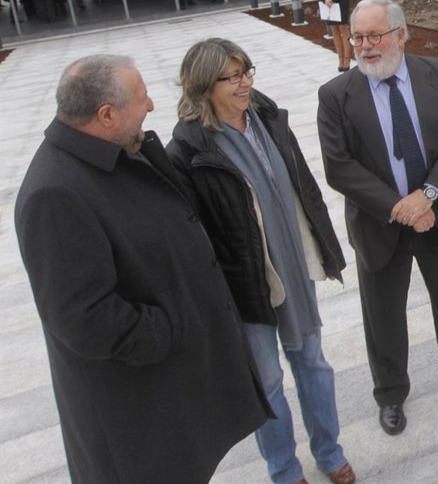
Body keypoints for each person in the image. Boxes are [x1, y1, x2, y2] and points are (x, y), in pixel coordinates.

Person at [15, 55, 268, 484]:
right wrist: (171, 328)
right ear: (106, 115)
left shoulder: (110, 152)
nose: (151, 105)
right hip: (137, 417)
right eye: (141, 97)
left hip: (166, 396)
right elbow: (82, 317)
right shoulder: (54, 194)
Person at [167, 39, 356, 484]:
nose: (244, 83)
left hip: (295, 266)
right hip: (246, 284)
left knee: (313, 363)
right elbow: (194, 234)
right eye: (231, 77)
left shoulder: (268, 118)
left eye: (246, 72)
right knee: (267, 382)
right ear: (203, 86)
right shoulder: (188, 150)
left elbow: (303, 187)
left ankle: (329, 452)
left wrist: (323, 244)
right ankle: (284, 469)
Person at [317, 0, 438, 438]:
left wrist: (427, 196)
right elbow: (339, 166)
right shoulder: (335, 95)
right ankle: (391, 392)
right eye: (358, 37)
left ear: (401, 35)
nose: (365, 46)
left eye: (375, 35)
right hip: (379, 224)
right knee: (383, 314)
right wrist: (402, 207)